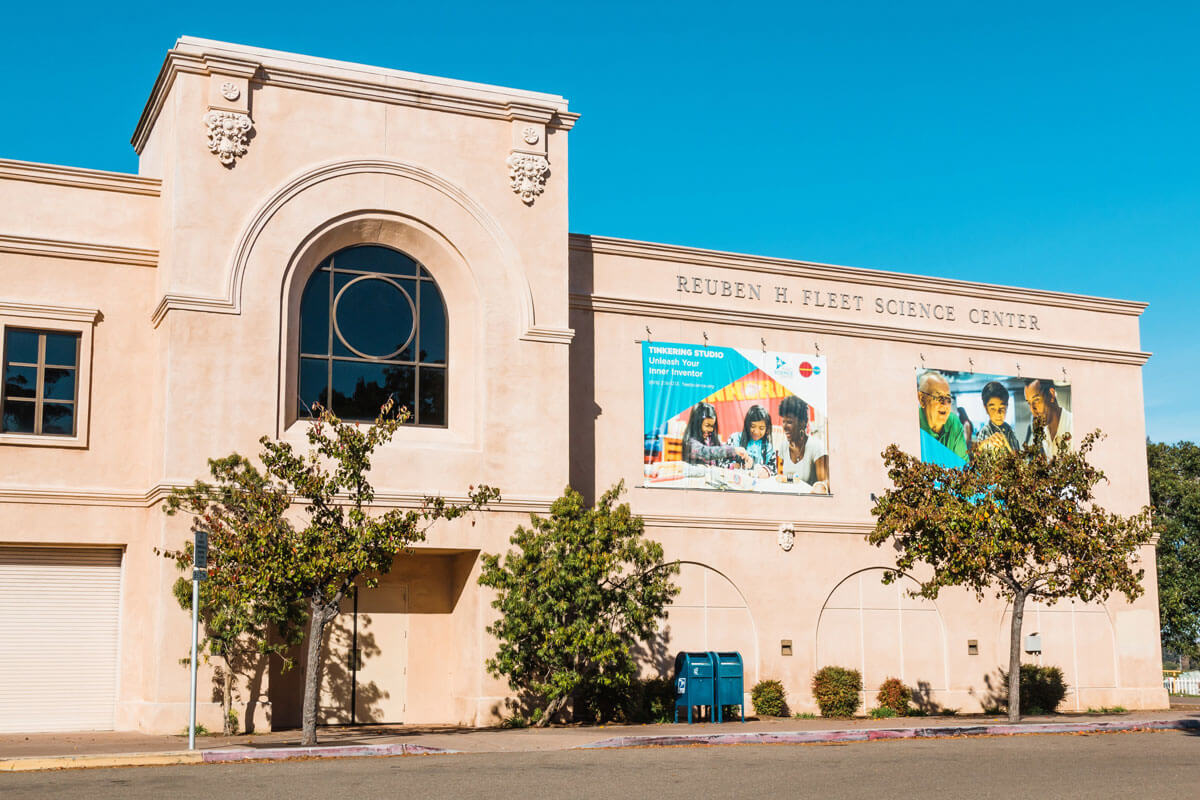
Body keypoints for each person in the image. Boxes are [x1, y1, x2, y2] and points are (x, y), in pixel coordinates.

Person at [775, 395, 829, 491]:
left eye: (790, 422)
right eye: (783, 421)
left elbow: (825, 481)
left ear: (803, 423)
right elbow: (780, 478)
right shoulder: (783, 446)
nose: (785, 427)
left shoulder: (816, 446)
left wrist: (821, 487)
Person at [681, 402, 752, 468]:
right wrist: (733, 450)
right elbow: (707, 452)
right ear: (696, 424)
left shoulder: (710, 440)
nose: (710, 429)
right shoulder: (690, 443)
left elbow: (720, 455)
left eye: (712, 426)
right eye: (707, 425)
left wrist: (742, 458)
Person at [917, 370, 968, 461]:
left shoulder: (953, 422)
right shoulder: (914, 423)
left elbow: (963, 465)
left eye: (948, 399)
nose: (945, 404)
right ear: (922, 399)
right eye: (939, 397)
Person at [1023, 378, 1072, 457]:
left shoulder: (1073, 425)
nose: (1032, 409)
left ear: (1051, 395)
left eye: (1036, 400)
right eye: (1029, 403)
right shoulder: (1043, 434)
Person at [726, 404, 777, 476]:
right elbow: (722, 463)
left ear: (767, 429)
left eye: (761, 428)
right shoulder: (735, 439)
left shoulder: (768, 448)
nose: (756, 431)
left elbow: (773, 471)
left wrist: (765, 471)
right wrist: (735, 466)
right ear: (747, 425)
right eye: (753, 426)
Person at [974, 381, 1020, 454]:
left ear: (1007, 406)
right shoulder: (985, 431)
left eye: (1002, 408)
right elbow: (977, 453)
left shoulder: (1010, 430)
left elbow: (1017, 455)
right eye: (993, 409)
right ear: (986, 409)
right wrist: (985, 443)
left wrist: (1008, 446)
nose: (998, 413)